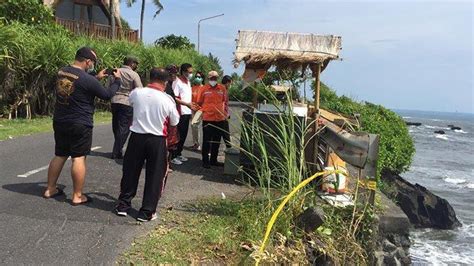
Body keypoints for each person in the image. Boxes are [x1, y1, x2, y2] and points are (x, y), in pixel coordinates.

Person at [43, 47, 121, 205]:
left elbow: (77, 83)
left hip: (60, 120)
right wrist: (117, 81)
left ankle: (50, 188)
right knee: (78, 157)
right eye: (92, 63)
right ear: (88, 61)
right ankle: (78, 195)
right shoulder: (88, 80)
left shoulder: (61, 72)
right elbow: (106, 95)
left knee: (60, 154)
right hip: (80, 123)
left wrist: (96, 77)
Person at [115, 67, 180, 222]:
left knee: (130, 172)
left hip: (136, 137)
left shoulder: (137, 92)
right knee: (155, 176)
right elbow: (174, 121)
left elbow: (131, 103)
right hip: (157, 140)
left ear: (149, 78)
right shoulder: (167, 99)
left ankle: (123, 205)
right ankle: (147, 211)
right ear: (165, 82)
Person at [110, 56, 143, 159]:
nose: (136, 66)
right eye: (136, 64)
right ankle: (116, 151)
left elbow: (108, 86)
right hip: (127, 102)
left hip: (114, 100)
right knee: (124, 127)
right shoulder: (133, 74)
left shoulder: (115, 72)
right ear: (132, 64)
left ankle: (118, 150)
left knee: (116, 125)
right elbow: (140, 89)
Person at [196, 71, 227, 168]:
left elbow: (224, 101)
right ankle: (205, 161)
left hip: (219, 119)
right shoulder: (203, 89)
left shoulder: (222, 88)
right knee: (207, 141)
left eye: (215, 78)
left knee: (217, 141)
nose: (213, 80)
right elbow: (199, 102)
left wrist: (225, 114)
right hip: (208, 119)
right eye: (211, 78)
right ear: (208, 78)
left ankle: (214, 160)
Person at [171, 63, 194, 165]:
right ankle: (173, 156)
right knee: (178, 134)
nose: (191, 74)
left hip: (187, 111)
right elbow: (174, 97)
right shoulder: (177, 82)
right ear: (183, 72)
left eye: (191, 72)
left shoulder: (188, 82)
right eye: (189, 72)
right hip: (180, 111)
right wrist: (186, 104)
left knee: (184, 134)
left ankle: (179, 153)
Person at [190, 71, 205, 151]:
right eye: (196, 76)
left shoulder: (204, 88)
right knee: (193, 126)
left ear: (202, 79)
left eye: (199, 77)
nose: (197, 78)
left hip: (200, 110)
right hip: (193, 109)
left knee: (194, 125)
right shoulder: (192, 88)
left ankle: (197, 144)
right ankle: (195, 143)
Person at [220, 75, 233, 149]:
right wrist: (225, 114)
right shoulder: (223, 90)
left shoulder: (221, 89)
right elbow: (222, 104)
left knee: (220, 133)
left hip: (222, 115)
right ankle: (229, 148)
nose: (230, 85)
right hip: (222, 116)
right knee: (225, 133)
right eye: (230, 83)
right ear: (227, 82)